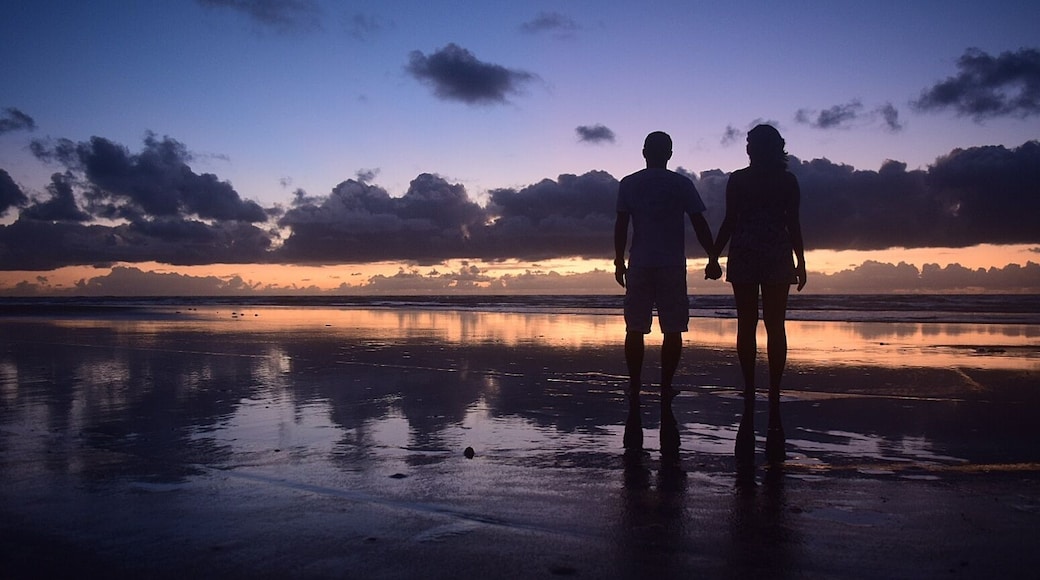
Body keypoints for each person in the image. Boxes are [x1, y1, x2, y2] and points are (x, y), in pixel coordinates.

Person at [614, 131, 721, 459]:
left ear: (645, 151)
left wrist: (619, 259)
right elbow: (699, 223)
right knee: (673, 329)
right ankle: (664, 385)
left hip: (642, 263)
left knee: (636, 328)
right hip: (671, 265)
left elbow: (621, 226)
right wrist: (713, 256)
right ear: (670, 153)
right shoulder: (681, 184)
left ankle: (635, 384)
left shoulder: (629, 183)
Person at [711, 124, 806, 465]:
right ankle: (769, 389)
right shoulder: (786, 181)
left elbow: (730, 221)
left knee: (750, 324)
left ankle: (754, 387)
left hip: (750, 253)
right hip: (773, 254)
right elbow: (791, 223)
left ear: (760, 148)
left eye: (751, 143)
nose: (747, 148)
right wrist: (800, 261)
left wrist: (714, 255)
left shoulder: (740, 180)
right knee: (772, 325)